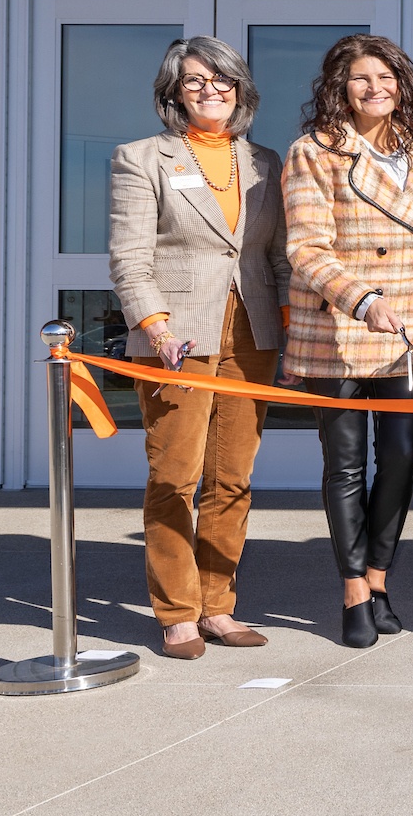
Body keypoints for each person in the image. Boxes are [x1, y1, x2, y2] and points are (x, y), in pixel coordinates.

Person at [107, 37, 291, 660]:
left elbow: (274, 257)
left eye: (223, 81)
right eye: (195, 82)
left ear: (241, 90)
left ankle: (219, 607)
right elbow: (131, 261)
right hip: (175, 339)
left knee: (232, 478)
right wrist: (156, 330)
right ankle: (178, 612)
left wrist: (290, 328)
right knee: (175, 476)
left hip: (251, 335)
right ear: (172, 93)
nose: (211, 91)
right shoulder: (142, 158)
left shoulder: (265, 161)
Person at [281, 34, 413, 650]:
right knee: (345, 465)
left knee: (401, 461)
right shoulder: (314, 151)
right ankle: (351, 591)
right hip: (341, 328)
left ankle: (379, 581)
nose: (375, 90)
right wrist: (363, 299)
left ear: (402, 86)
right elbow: (305, 249)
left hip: (409, 336)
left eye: (387, 79)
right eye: (360, 80)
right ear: (338, 87)